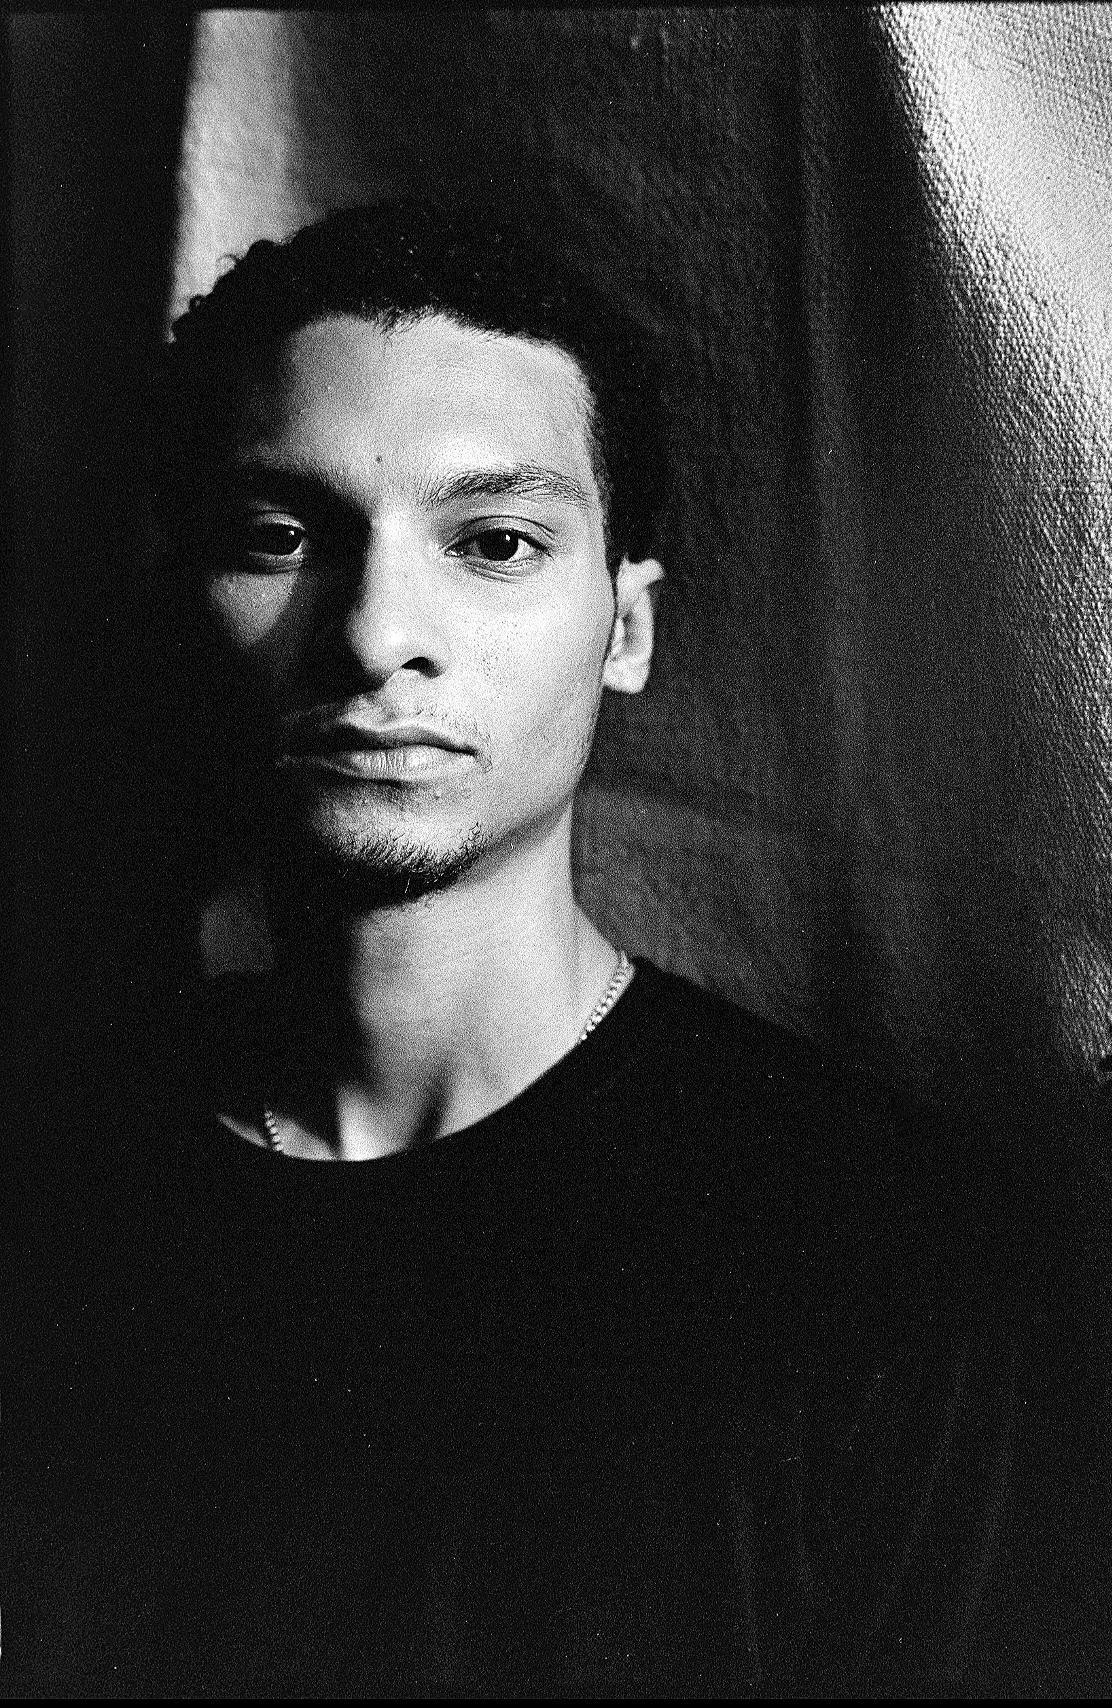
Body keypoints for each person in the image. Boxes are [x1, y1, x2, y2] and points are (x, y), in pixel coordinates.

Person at [6, 198, 1030, 1697]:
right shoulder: (42, 1185)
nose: (375, 636)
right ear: (179, 606)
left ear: (626, 628)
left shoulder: (890, 1259)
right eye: (279, 536)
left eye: (493, 542)